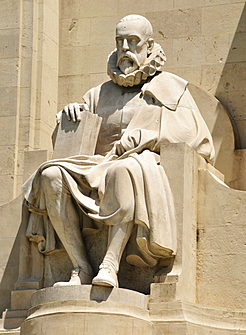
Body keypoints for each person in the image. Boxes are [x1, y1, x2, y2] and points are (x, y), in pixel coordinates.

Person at [23, 15, 214, 288]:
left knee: (123, 169)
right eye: (120, 41)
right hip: (95, 164)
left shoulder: (170, 88)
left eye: (133, 41)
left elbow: (196, 138)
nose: (125, 49)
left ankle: (110, 265)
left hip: (138, 162)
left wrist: (147, 137)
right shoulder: (97, 94)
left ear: (149, 46)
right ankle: (80, 266)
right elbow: (74, 139)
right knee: (51, 175)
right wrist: (70, 114)